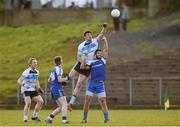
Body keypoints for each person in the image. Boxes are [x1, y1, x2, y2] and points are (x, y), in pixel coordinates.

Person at [68, 23, 107, 109]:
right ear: (84, 37)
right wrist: (82, 62)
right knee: (69, 77)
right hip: (81, 62)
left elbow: (101, 34)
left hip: (89, 65)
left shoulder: (95, 41)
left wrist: (104, 27)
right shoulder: (81, 45)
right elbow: (78, 56)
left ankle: (71, 103)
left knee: (79, 84)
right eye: (88, 35)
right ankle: (58, 88)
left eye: (90, 35)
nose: (90, 36)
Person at [82, 36, 109, 123]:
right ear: (95, 55)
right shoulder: (91, 62)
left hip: (100, 84)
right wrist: (84, 57)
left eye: (101, 54)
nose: (100, 54)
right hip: (91, 83)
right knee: (87, 101)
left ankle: (106, 118)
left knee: (103, 101)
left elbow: (106, 50)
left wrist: (105, 41)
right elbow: (83, 67)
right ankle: (85, 118)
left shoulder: (103, 60)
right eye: (98, 54)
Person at [17, 58, 44, 122]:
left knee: (41, 101)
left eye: (36, 62)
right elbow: (19, 80)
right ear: (30, 64)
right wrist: (23, 84)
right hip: (26, 90)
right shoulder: (26, 72)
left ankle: (35, 116)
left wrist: (39, 88)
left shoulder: (37, 72)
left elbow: (36, 80)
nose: (35, 64)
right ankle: (25, 118)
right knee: (28, 103)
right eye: (34, 62)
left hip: (33, 89)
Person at [45, 56, 69, 124]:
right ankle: (64, 120)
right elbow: (59, 79)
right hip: (57, 88)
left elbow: (49, 80)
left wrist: (61, 82)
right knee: (65, 104)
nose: (62, 61)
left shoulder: (53, 69)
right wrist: (67, 78)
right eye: (62, 60)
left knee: (61, 106)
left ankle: (49, 118)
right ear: (60, 61)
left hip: (53, 88)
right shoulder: (59, 68)